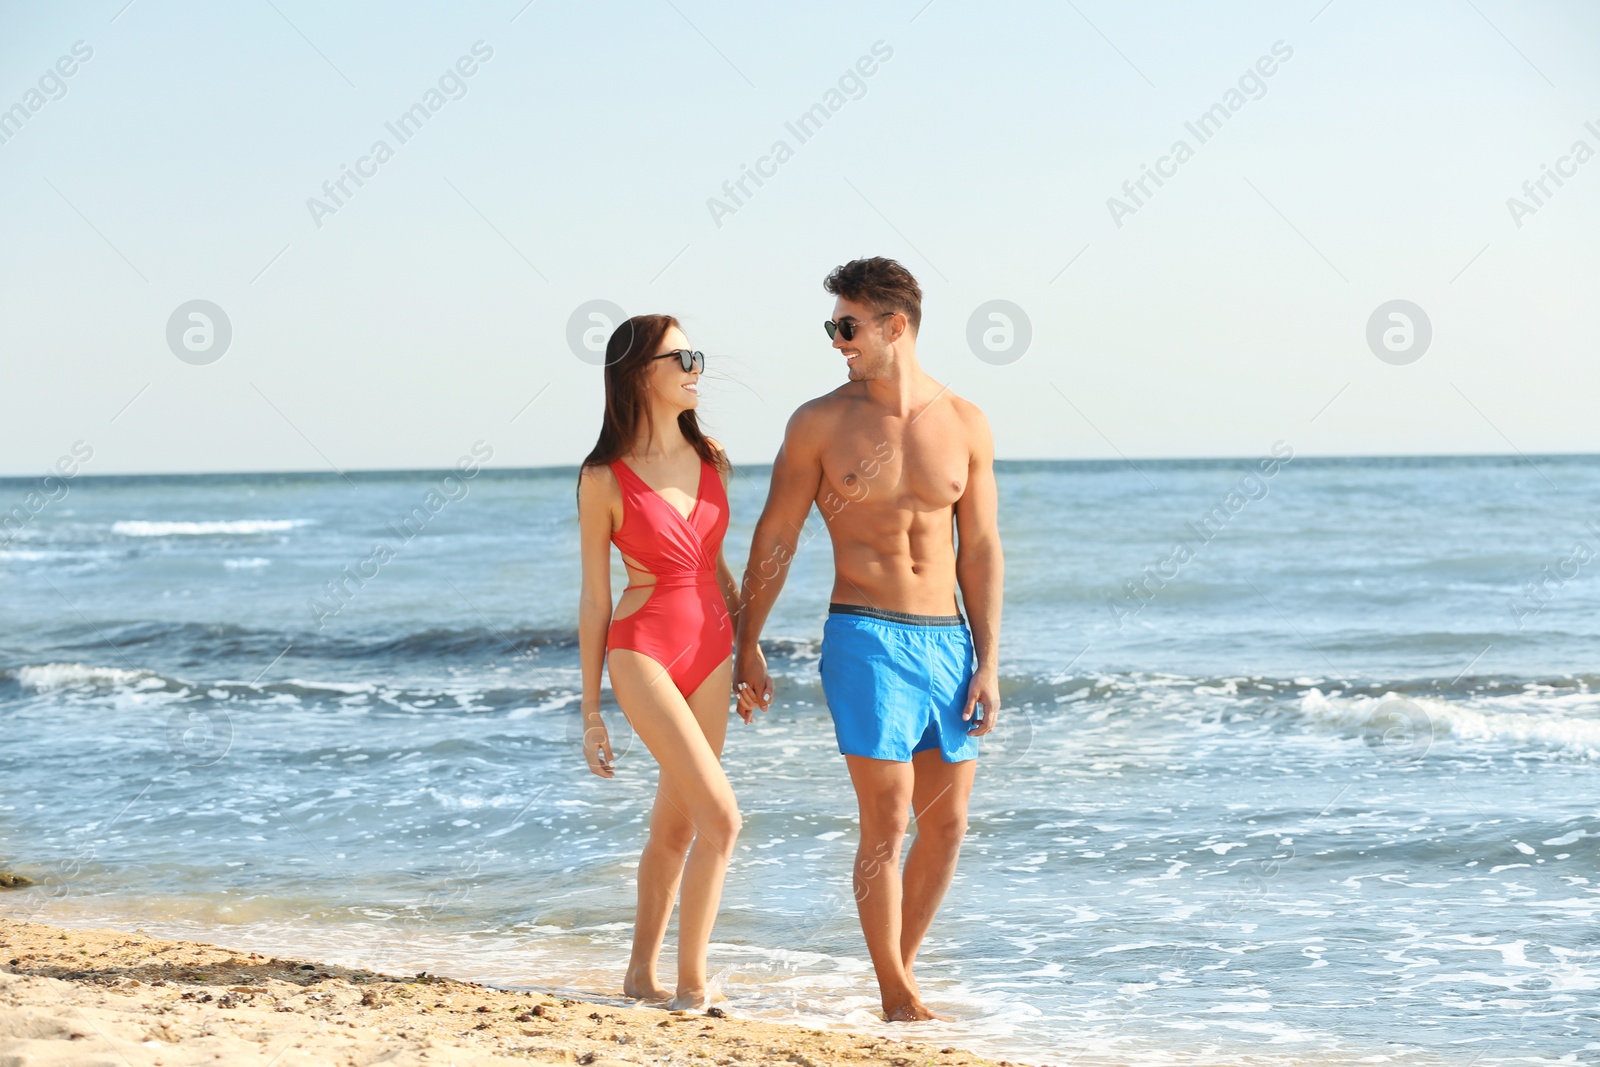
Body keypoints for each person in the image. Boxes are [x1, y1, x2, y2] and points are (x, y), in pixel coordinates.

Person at [733, 257, 1004, 1022]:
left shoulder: (967, 421)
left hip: (946, 640)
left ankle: (898, 969)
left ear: (896, 325)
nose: (836, 341)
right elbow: (777, 534)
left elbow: (981, 548)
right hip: (864, 635)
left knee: (946, 824)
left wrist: (988, 660)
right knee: (886, 816)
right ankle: (895, 990)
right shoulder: (819, 422)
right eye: (832, 326)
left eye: (846, 327)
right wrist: (746, 638)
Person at [576, 314, 743, 1011]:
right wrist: (590, 710)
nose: (695, 367)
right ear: (640, 371)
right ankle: (693, 985)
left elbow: (721, 568)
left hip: (713, 649)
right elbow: (594, 596)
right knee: (723, 819)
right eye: (682, 357)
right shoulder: (602, 476)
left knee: (677, 826)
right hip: (641, 648)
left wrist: (752, 648)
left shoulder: (712, 458)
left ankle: (641, 975)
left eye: (696, 355)